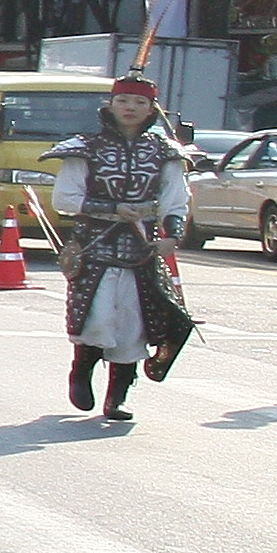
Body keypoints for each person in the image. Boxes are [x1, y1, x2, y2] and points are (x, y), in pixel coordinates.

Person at [58, 73, 196, 421]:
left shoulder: (165, 152)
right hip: (95, 247)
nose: (130, 108)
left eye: (139, 102)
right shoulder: (85, 147)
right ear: (110, 104)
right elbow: (65, 198)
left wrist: (172, 236)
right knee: (98, 318)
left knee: (134, 326)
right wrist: (111, 209)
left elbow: (175, 200)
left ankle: (117, 397)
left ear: (152, 108)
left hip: (142, 250)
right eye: (123, 101)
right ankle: (82, 370)